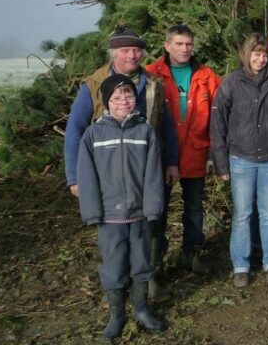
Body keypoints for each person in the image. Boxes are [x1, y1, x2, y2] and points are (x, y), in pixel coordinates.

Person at [64, 26, 179, 300]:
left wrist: (172, 162)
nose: (132, 55)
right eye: (126, 50)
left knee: (153, 225)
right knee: (114, 230)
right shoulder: (93, 85)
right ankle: (118, 284)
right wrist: (74, 176)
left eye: (137, 49)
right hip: (110, 175)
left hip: (148, 171)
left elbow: (167, 127)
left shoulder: (153, 83)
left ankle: (149, 279)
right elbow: (75, 130)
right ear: (113, 53)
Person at [77, 74, 166, 340]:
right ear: (107, 102)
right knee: (113, 266)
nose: (123, 101)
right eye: (116, 97)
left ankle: (141, 309)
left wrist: (153, 208)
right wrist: (92, 212)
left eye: (128, 95)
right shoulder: (94, 134)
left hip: (139, 213)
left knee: (141, 263)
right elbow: (86, 176)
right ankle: (117, 316)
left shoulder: (145, 131)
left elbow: (153, 174)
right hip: (109, 216)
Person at [210, 33, 268, 288]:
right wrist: (221, 163)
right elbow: (218, 125)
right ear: (246, 54)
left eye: (264, 54)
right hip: (241, 159)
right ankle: (241, 266)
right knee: (242, 214)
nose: (261, 58)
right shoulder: (231, 83)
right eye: (256, 53)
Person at [145, 24, 221, 275]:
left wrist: (215, 153)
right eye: (179, 44)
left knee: (194, 207)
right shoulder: (151, 74)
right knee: (158, 209)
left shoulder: (207, 76)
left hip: (195, 151)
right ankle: (156, 261)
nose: (185, 48)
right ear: (167, 46)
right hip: (161, 154)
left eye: (188, 43)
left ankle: (191, 253)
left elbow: (220, 116)